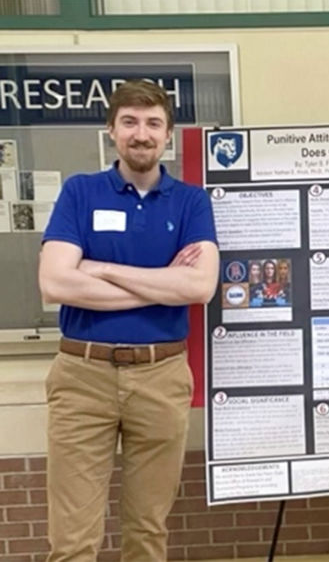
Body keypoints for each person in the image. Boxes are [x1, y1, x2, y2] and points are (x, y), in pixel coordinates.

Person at [38, 80, 219, 561]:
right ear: (112, 130)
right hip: (83, 376)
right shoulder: (80, 192)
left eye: (153, 123)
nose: (142, 134)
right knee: (73, 538)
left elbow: (199, 287)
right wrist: (161, 284)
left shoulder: (191, 202)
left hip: (160, 376)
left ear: (168, 135)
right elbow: (55, 283)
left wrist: (101, 269)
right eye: (130, 122)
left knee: (147, 531)